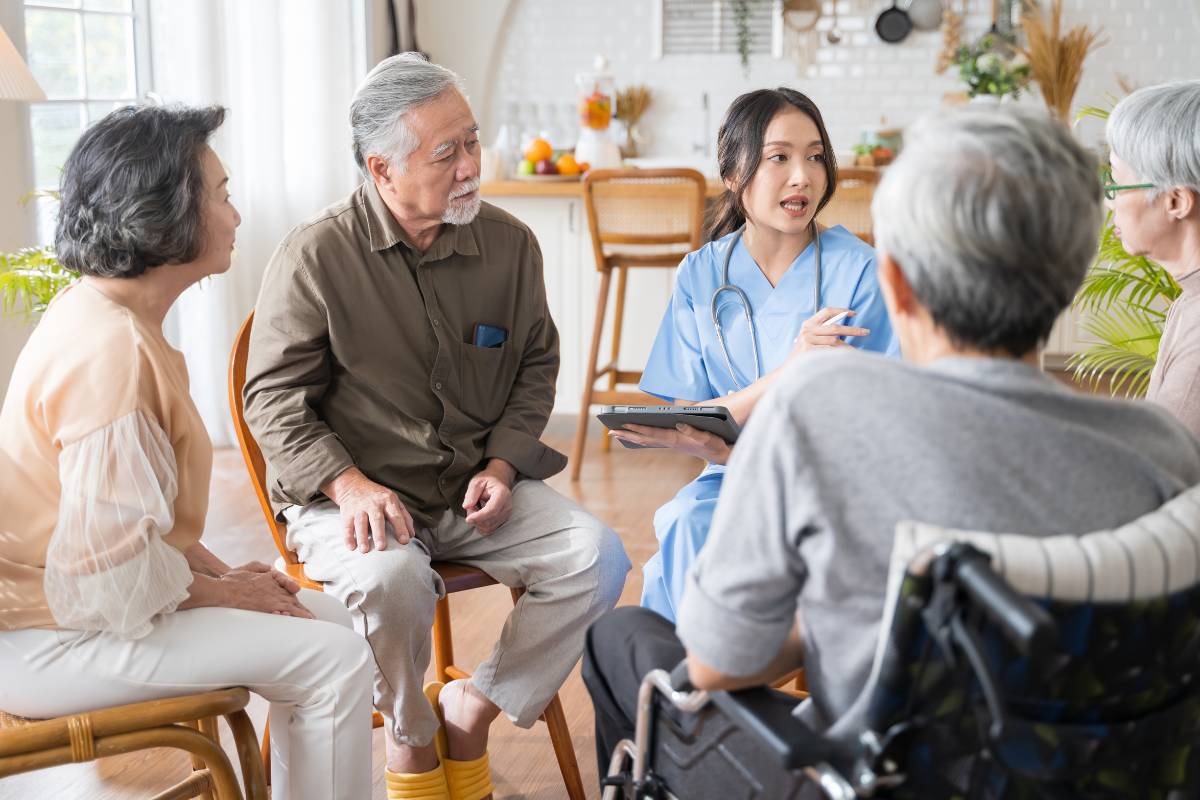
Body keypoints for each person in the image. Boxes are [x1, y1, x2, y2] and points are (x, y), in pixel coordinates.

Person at [583, 105, 1200, 787]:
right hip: (1089, 772)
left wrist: (826, 621)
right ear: (1073, 272)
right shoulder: (1165, 451)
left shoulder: (821, 415)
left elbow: (716, 661)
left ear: (897, 288)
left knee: (619, 639)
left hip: (881, 776)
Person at [243, 53, 630, 800]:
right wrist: (348, 484)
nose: (470, 167)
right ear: (381, 168)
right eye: (446, 152)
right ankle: (412, 737)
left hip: (472, 488)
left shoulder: (509, 245)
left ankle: (472, 706)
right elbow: (272, 400)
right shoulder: (316, 255)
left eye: (473, 142)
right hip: (351, 496)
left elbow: (535, 367)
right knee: (392, 579)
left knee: (599, 557)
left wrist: (505, 464)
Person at [0, 105, 375, 799]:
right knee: (334, 661)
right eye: (223, 196)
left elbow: (137, 521)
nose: (235, 215)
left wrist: (230, 580)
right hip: (45, 639)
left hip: (67, 614)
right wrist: (228, 592)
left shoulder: (113, 318)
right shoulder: (111, 352)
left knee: (331, 622)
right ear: (166, 214)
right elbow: (106, 581)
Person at [613, 88, 899, 622]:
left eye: (815, 156)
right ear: (732, 173)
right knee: (685, 524)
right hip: (729, 479)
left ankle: (705, 688)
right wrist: (789, 374)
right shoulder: (701, 273)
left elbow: (877, 427)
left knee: (703, 551)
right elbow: (693, 414)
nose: (802, 177)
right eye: (779, 157)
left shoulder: (861, 272)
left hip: (832, 489)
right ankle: (698, 693)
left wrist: (727, 440)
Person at [1105, 81, 1200, 436]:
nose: (1109, 202)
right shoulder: (1190, 298)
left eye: (1115, 183)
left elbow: (1168, 472)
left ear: (1176, 201)